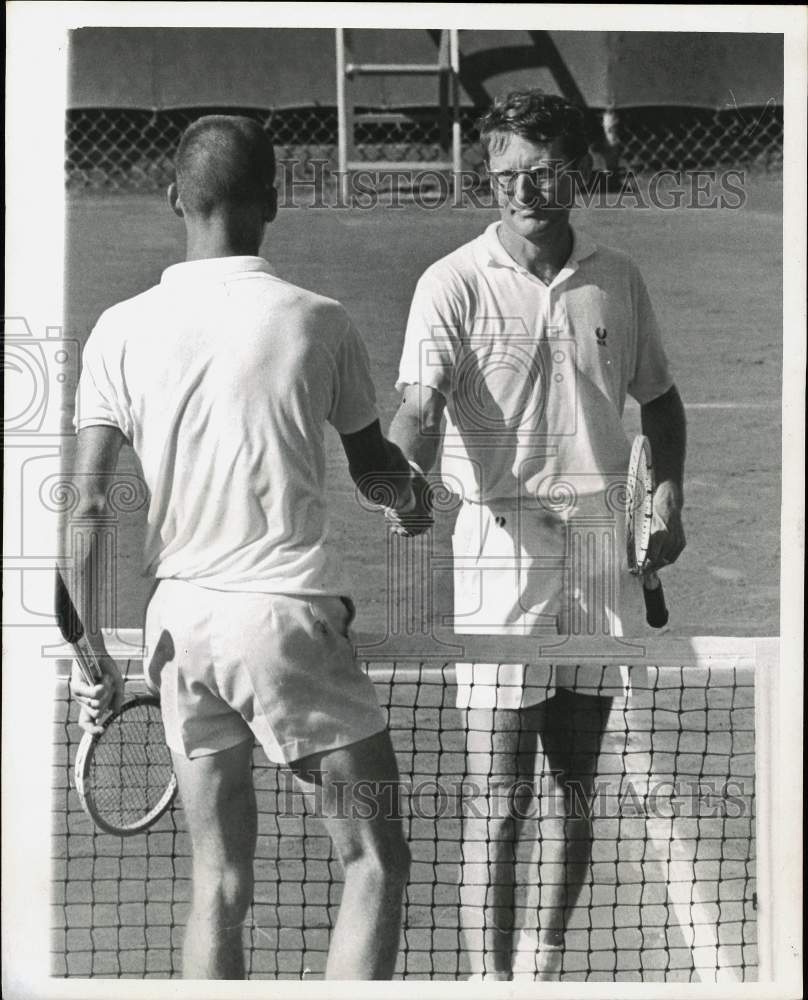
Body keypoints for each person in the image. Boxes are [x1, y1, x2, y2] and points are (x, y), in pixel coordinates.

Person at [67, 115, 432, 980]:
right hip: (287, 628)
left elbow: (85, 502)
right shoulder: (321, 321)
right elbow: (377, 470)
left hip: (179, 637)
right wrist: (414, 503)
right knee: (377, 862)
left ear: (173, 200)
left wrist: (89, 658)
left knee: (218, 885)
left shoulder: (117, 329)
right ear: (275, 201)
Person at [387, 90, 686, 980]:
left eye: (539, 171)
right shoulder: (451, 282)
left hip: (599, 549)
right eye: (504, 173)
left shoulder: (617, 279)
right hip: (498, 553)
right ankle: (488, 982)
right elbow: (416, 411)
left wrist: (666, 492)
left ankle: (544, 967)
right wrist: (398, 478)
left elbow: (659, 401)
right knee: (497, 798)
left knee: (575, 789)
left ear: (576, 167)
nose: (520, 191)